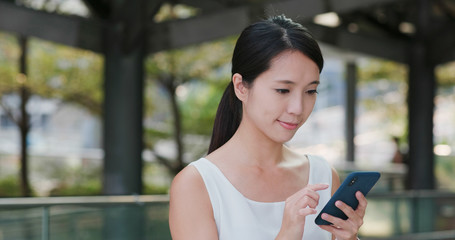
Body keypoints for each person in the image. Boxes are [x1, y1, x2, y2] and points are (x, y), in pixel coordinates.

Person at [169, 15, 367, 240]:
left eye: (310, 91)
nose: (297, 108)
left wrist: (349, 238)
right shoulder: (197, 184)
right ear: (241, 87)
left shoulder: (322, 176)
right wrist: (287, 234)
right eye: (283, 90)